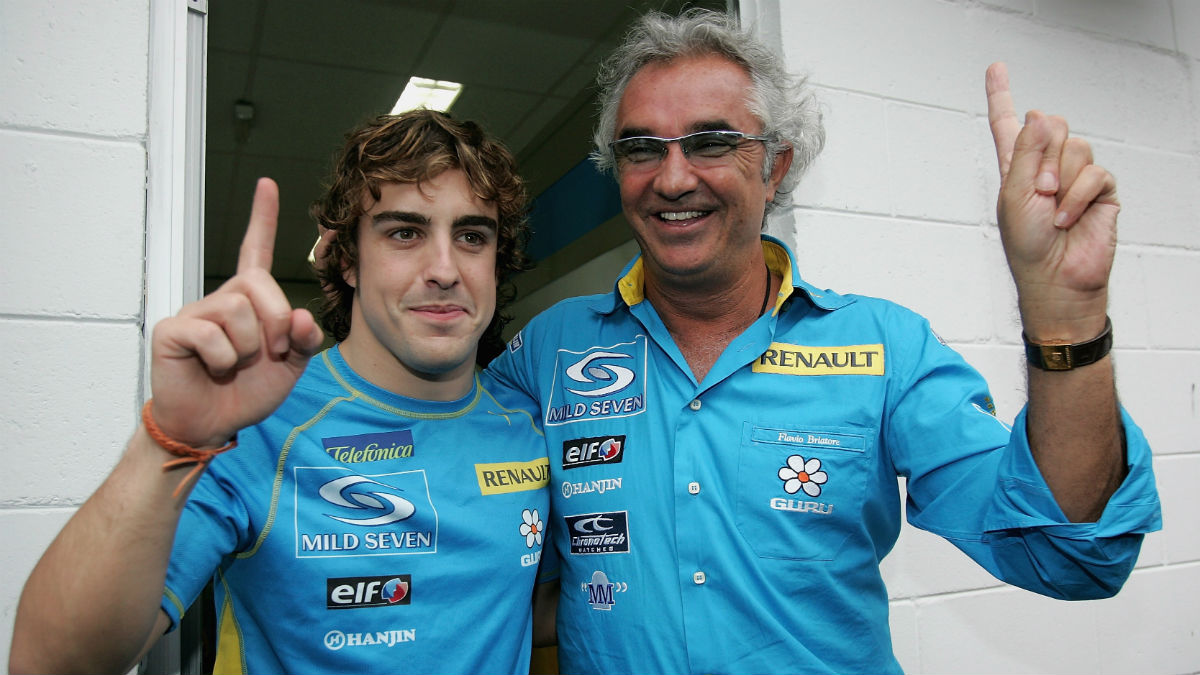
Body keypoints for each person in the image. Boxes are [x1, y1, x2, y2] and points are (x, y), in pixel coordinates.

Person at [481, 9, 1162, 674]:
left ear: (776, 165)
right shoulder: (548, 354)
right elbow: (471, 542)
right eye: (641, 148)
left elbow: (1071, 551)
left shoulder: (884, 348)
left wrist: (1066, 319)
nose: (673, 177)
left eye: (711, 141)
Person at [9, 110, 550, 675]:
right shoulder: (258, 423)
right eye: (404, 232)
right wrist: (167, 443)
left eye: (470, 235)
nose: (444, 268)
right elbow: (48, 662)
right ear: (346, 261)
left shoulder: (525, 424)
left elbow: (513, 606)